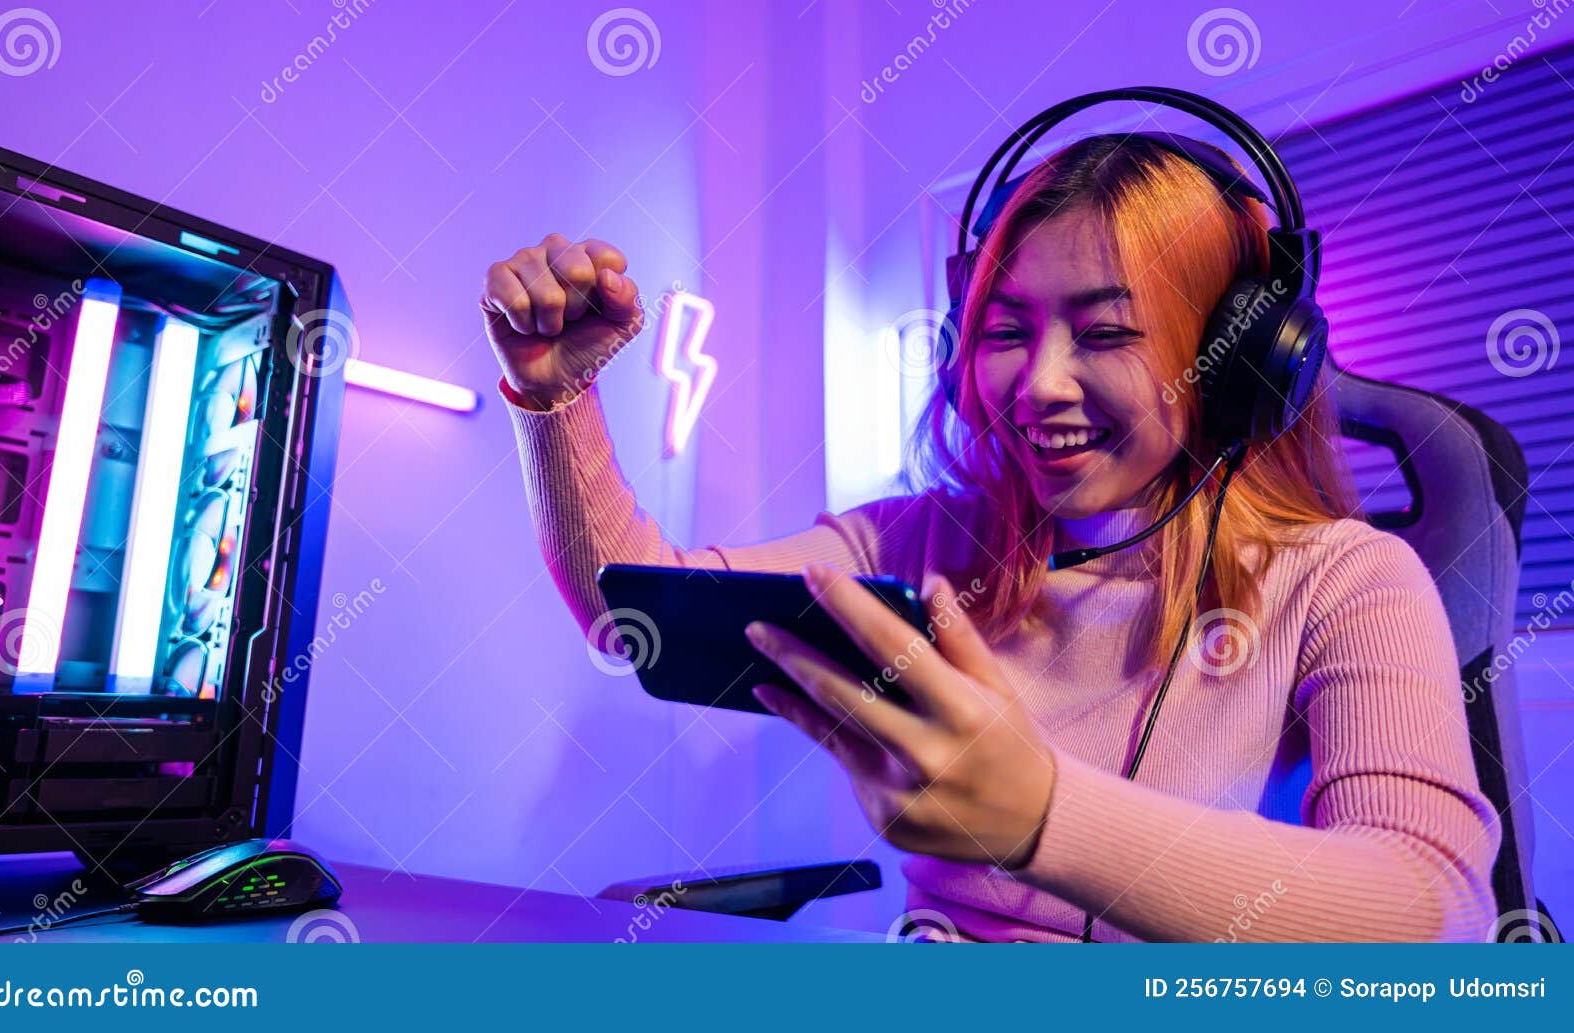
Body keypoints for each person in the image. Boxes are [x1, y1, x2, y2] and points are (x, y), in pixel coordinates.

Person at [479, 134, 1500, 942]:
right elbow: (635, 617)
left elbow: (1428, 910)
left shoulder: (1348, 581)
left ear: (1235, 361)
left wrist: (1045, 814)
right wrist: (554, 393)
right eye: (1006, 330)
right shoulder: (923, 539)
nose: (1039, 383)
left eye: (1103, 333)